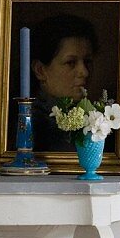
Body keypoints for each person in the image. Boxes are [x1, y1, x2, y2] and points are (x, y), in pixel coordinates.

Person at [28, 14, 98, 151]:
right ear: (40, 70)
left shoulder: (89, 116)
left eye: (87, 61)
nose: (84, 72)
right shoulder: (35, 124)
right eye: (70, 62)